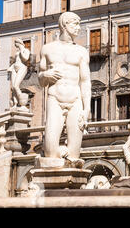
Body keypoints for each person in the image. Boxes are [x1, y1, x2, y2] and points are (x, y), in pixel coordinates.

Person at [38, 12, 91, 164]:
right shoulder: (47, 49)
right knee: (49, 150)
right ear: (64, 25)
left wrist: (86, 109)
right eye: (75, 24)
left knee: (75, 154)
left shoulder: (81, 51)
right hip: (55, 98)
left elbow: (85, 81)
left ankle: (70, 183)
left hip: (75, 101)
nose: (78, 28)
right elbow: (41, 81)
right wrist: (45, 75)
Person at [7, 38, 30, 110]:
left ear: (18, 43)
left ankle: (23, 102)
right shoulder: (17, 52)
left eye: (15, 43)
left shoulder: (26, 50)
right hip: (15, 68)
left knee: (16, 86)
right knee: (13, 87)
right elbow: (15, 61)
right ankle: (15, 103)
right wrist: (11, 67)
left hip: (22, 67)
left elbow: (25, 59)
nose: (14, 45)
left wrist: (21, 52)